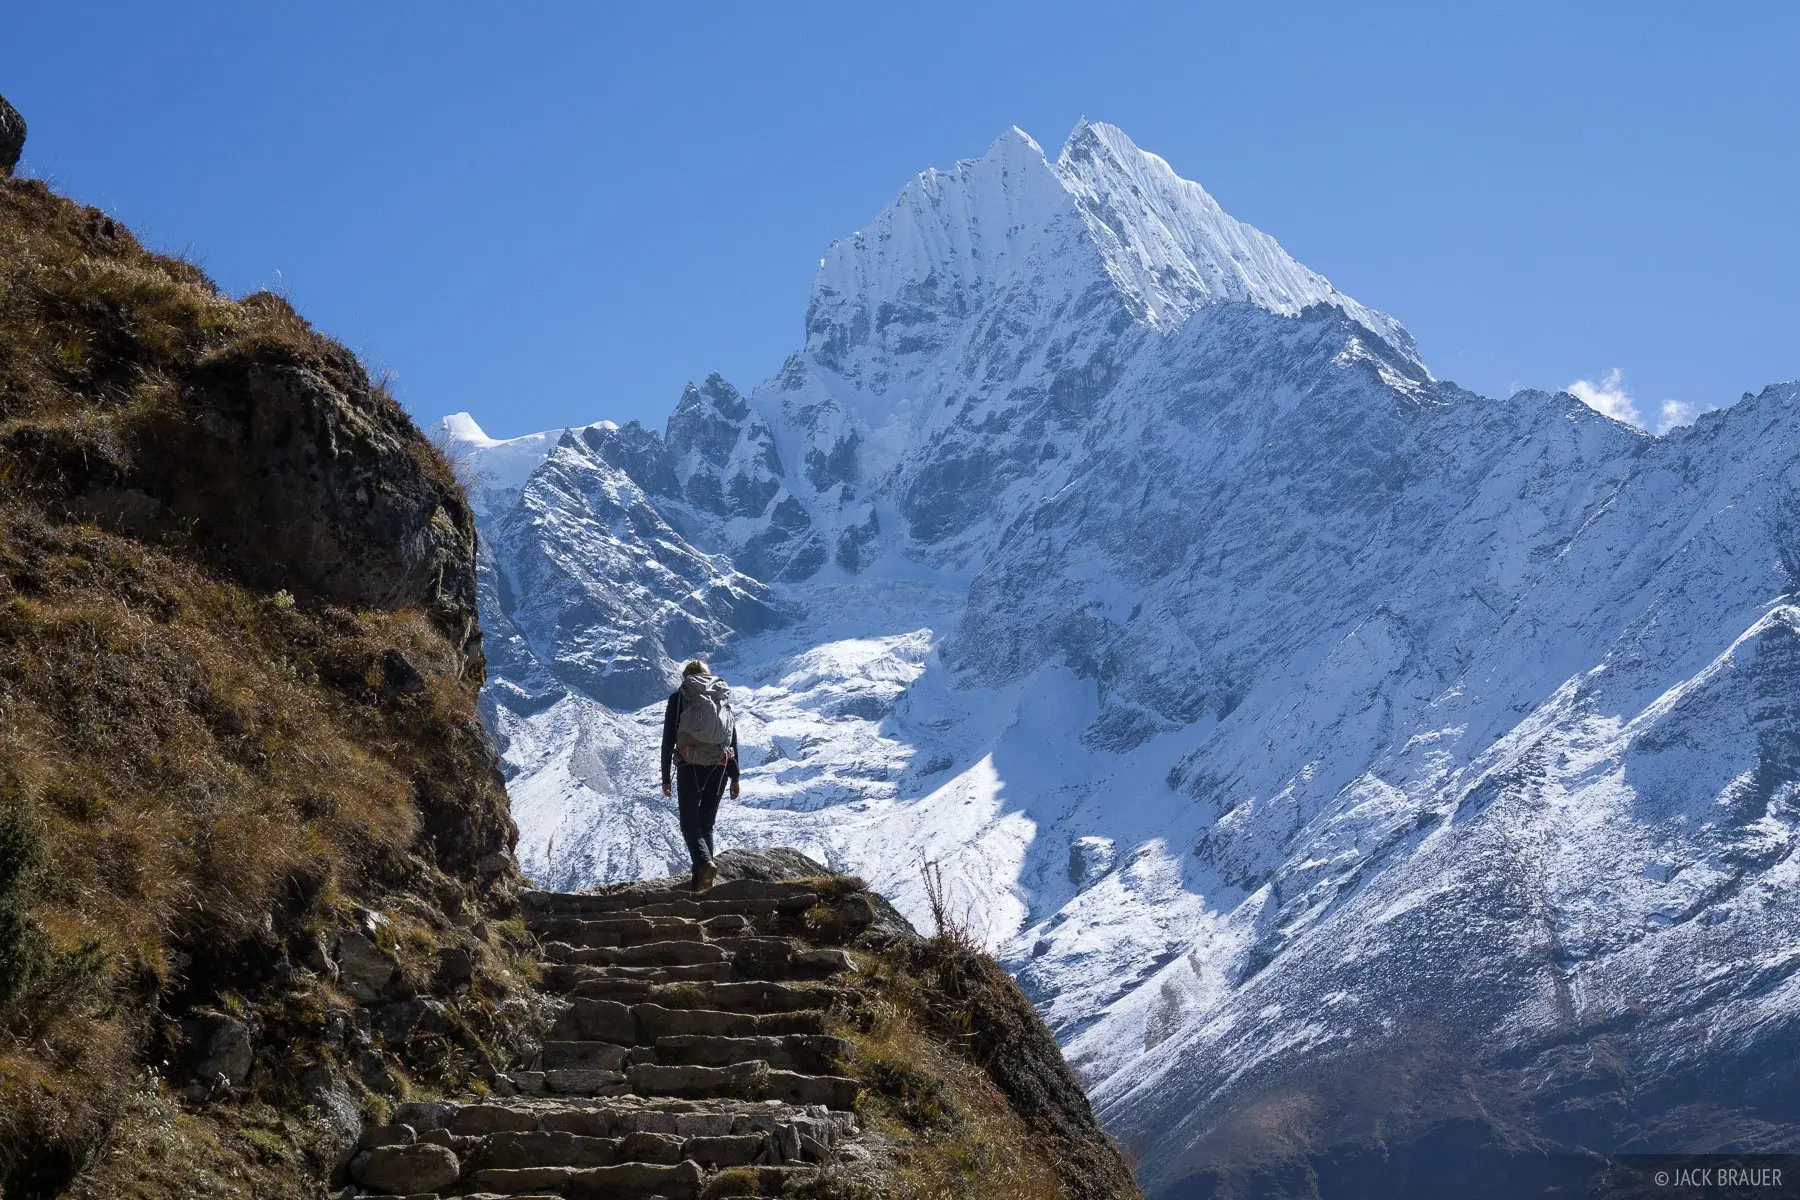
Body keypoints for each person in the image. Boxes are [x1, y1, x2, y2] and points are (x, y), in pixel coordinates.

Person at [660, 659, 740, 890]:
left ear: (686, 677)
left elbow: (668, 740)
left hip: (689, 764)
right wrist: (735, 776)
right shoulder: (720, 695)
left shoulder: (680, 697)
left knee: (688, 823)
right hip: (720, 765)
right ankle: (702, 883)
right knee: (706, 824)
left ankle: (705, 864)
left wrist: (666, 777)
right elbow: (731, 739)